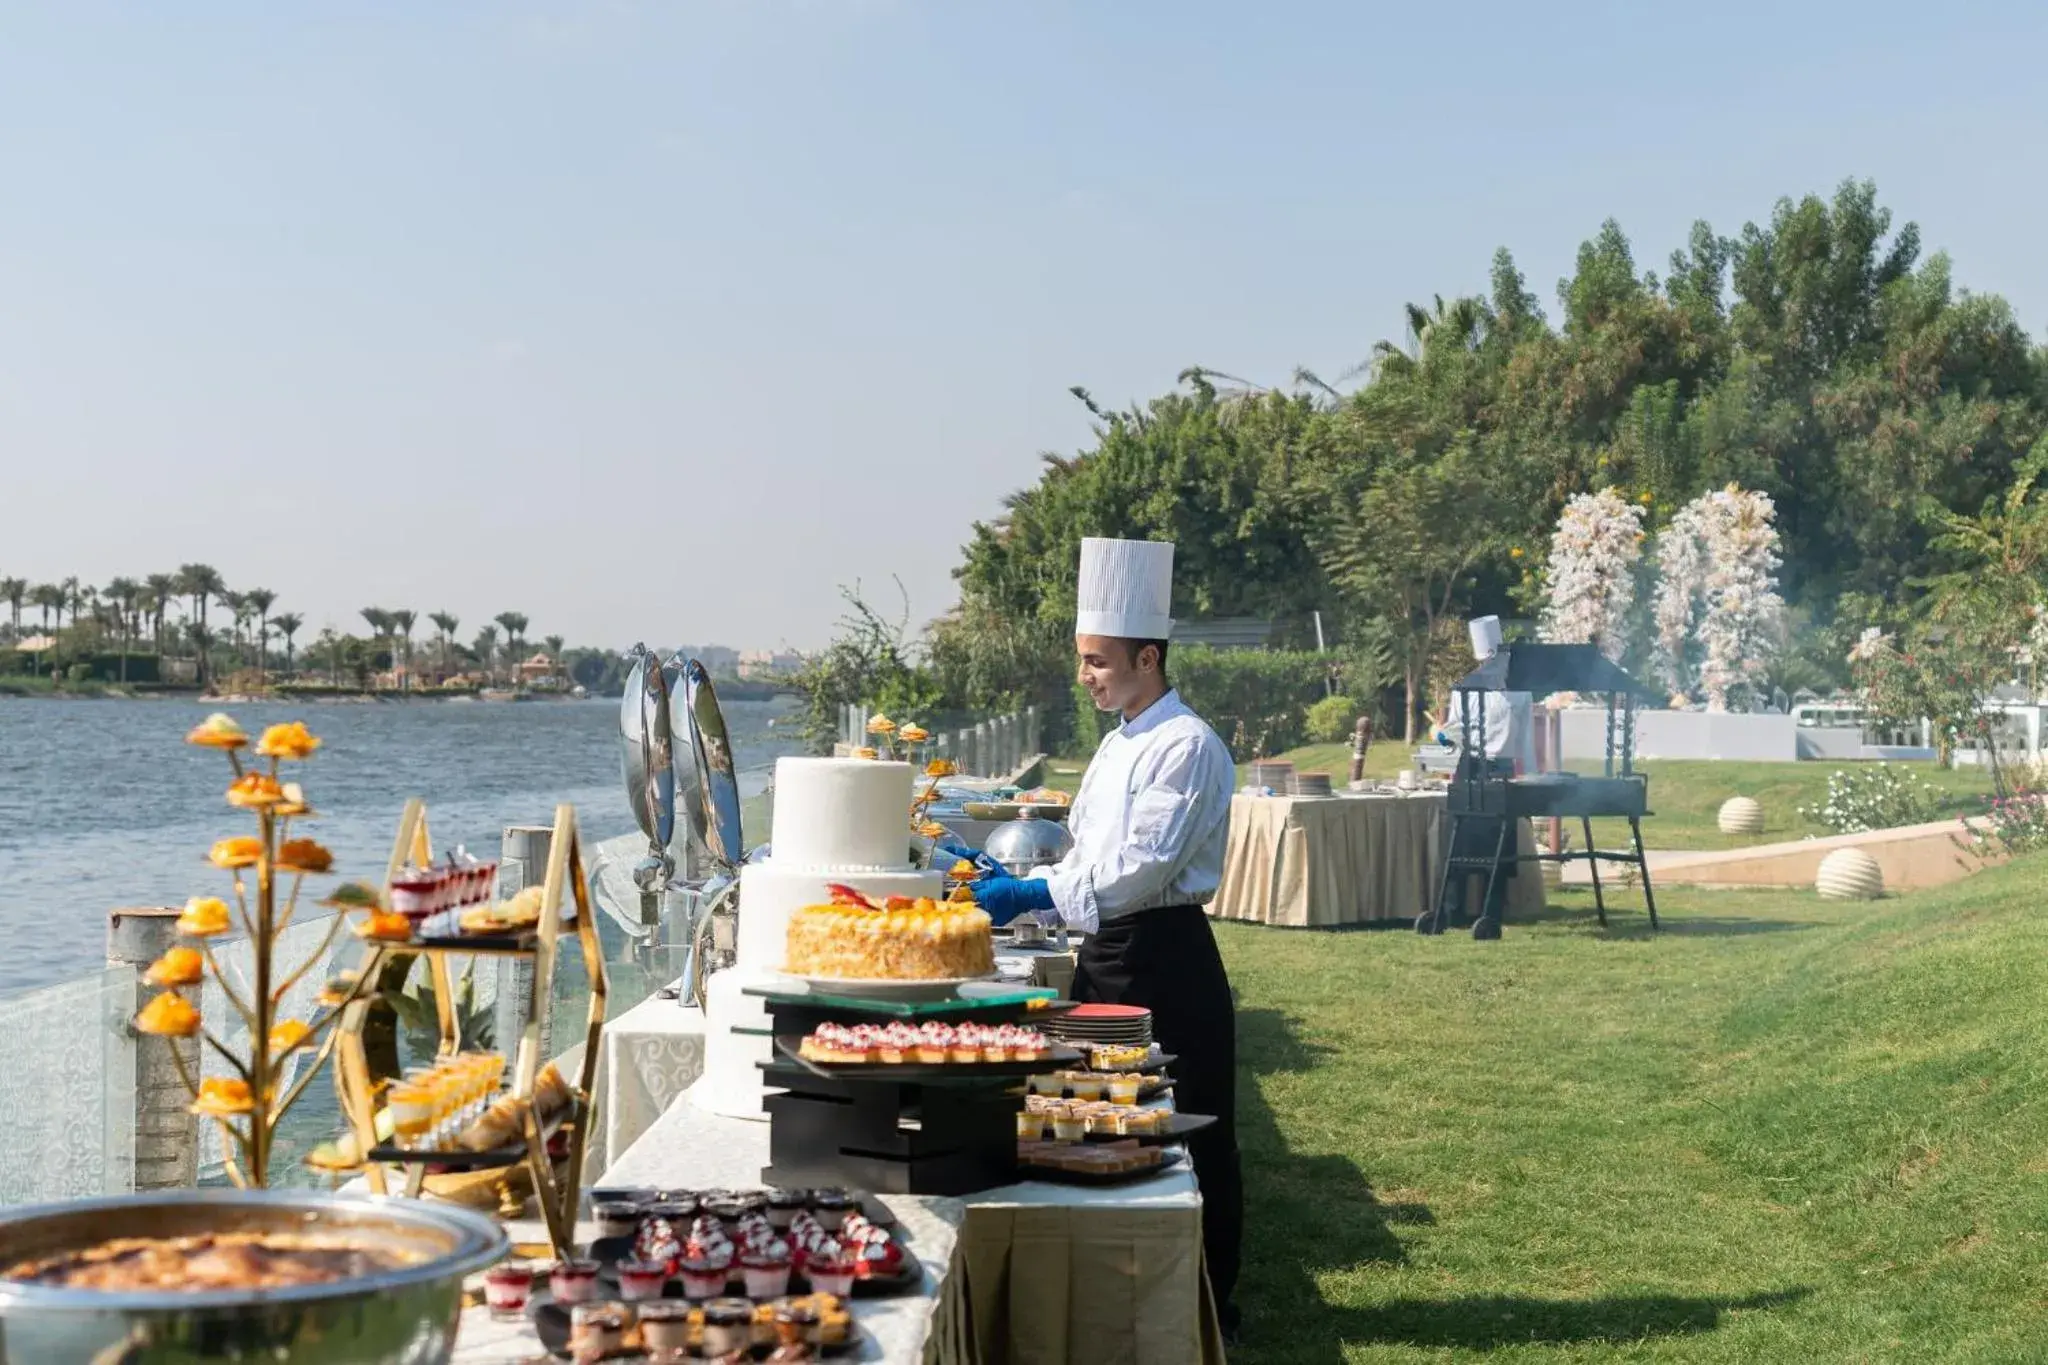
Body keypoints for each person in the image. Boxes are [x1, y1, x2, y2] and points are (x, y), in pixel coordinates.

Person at [971, 537, 1245, 1337]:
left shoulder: (1186, 743)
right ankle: (1118, 1298)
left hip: (1164, 955)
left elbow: (1136, 870)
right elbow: (1092, 852)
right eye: (1083, 659)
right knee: (1102, 1119)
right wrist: (994, 867)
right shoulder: (1121, 735)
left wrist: (1030, 892)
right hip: (1110, 952)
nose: (1085, 674)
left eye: (1097, 660)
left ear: (1148, 655)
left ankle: (1207, 1304)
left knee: (1190, 1130)